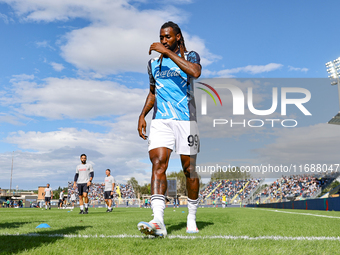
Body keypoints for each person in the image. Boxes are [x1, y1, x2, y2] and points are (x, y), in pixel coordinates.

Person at [137, 21, 201, 238]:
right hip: (161, 120)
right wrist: (142, 114)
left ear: (178, 37)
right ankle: (158, 220)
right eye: (161, 37)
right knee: (158, 164)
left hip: (186, 120)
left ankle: (191, 217)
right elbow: (153, 92)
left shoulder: (191, 56)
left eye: (168, 37)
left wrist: (167, 52)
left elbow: (195, 72)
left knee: (189, 170)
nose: (164, 40)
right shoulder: (153, 64)